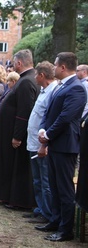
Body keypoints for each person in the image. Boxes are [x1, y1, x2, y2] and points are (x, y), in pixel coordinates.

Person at [36, 52, 87, 242]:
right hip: (55, 143)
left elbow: (66, 117)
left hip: (66, 145)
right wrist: (43, 129)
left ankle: (66, 229)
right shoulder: (60, 86)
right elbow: (49, 112)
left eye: (55, 65)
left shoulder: (77, 88)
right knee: (55, 186)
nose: (53, 68)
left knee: (65, 189)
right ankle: (55, 220)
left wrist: (48, 134)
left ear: (63, 67)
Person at [0, 49, 39, 209]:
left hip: (16, 135)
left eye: (13, 62)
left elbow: (24, 111)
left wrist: (17, 135)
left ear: (19, 63)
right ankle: (8, 196)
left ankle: (18, 199)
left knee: (17, 168)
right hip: (11, 132)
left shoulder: (26, 82)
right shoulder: (27, 79)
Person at [25, 61, 57, 224]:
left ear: (42, 75)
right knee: (37, 180)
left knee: (45, 181)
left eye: (36, 74)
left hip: (42, 144)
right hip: (33, 142)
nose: (35, 77)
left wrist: (44, 144)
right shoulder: (44, 91)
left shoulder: (53, 92)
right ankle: (40, 208)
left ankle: (48, 212)